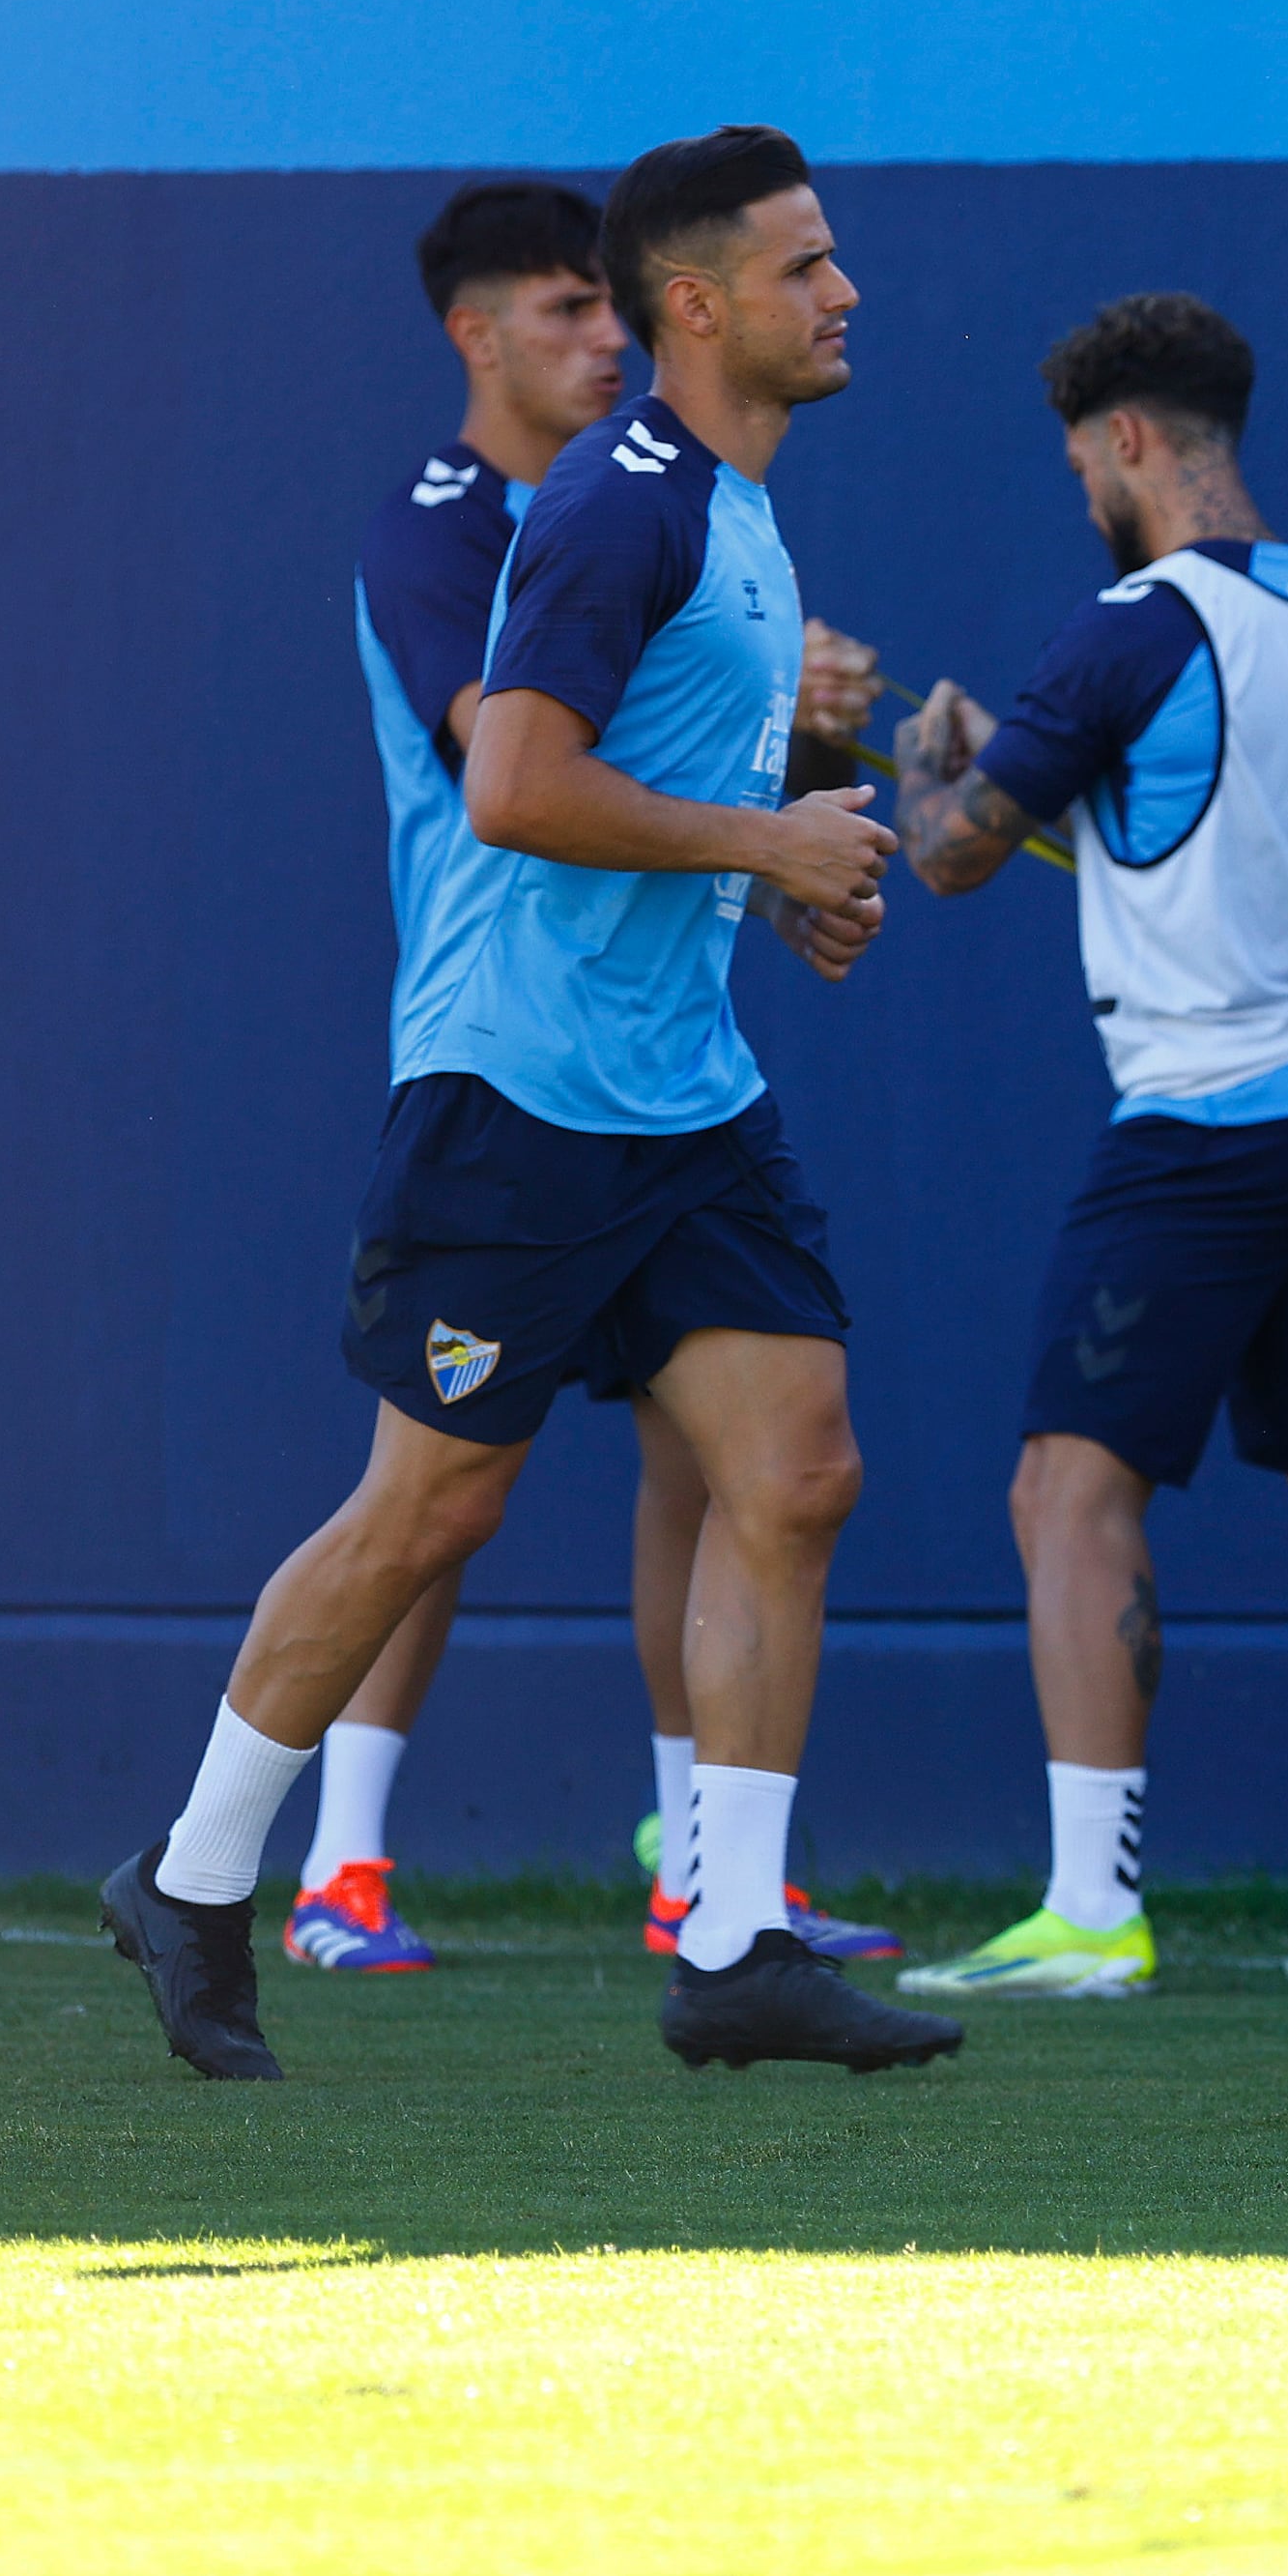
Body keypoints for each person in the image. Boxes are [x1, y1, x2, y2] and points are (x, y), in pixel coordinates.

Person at [100, 125, 960, 2079]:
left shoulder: (736, 505)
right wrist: (763, 832)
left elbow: (642, 788)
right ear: (700, 301)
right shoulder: (619, 501)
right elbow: (512, 784)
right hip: (518, 1084)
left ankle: (735, 1937)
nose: (845, 293)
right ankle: (201, 1866)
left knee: (799, 1461)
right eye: (807, 264)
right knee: (431, 1503)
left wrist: (771, 875)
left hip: (683, 1095)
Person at [299, 181, 905, 1978]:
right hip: (503, 1045)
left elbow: (669, 745)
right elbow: (510, 759)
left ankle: (711, 1880)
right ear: (477, 336)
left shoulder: (697, 502)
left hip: (657, 1060)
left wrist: (789, 789)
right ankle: (329, 1860)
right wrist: (771, 782)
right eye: (563, 313)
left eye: (601, 308)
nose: (596, 341)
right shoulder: (464, 526)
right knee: (435, 1491)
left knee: (736, 1469)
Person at [867, 295, 1288, 2000]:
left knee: (1069, 1488)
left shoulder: (1129, 622)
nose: (1081, 495)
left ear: (1126, 442)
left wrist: (914, 763)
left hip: (1193, 1127)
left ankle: (1094, 1910)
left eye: (1078, 462)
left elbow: (957, 854)